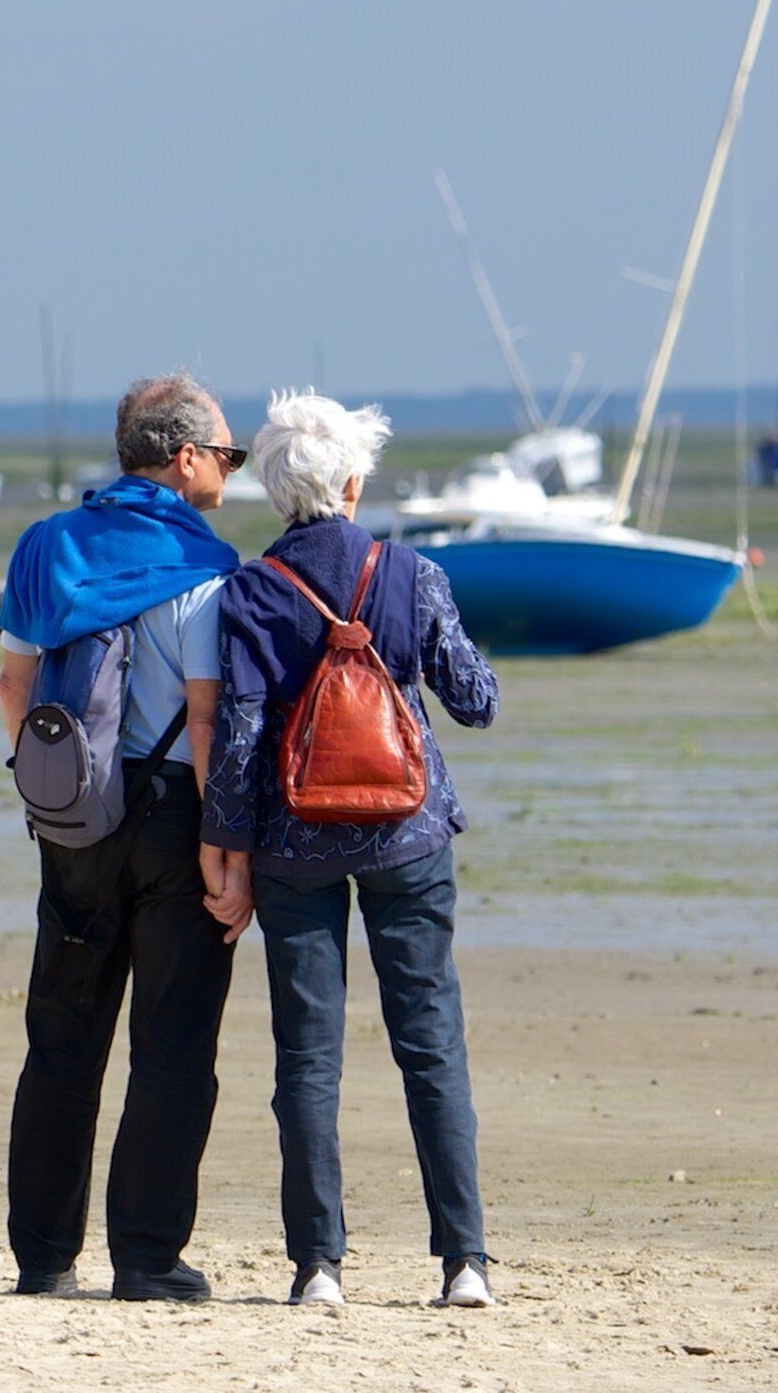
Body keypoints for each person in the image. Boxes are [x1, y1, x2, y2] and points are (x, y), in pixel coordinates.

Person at [199, 390, 501, 1310]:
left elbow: (243, 737)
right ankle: (464, 1265)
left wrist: (226, 848)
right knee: (431, 1045)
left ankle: (319, 1267)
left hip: (294, 843)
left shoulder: (251, 590)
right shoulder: (411, 572)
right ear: (355, 481)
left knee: (307, 1057)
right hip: (406, 834)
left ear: (277, 490)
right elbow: (476, 700)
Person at [0, 374, 250, 1300]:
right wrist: (230, 847)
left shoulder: (45, 545)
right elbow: (208, 717)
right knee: (173, 1042)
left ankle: (44, 1259)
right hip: (175, 815)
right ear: (183, 458)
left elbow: (13, 690)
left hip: (71, 819)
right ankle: (145, 1258)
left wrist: (52, 800)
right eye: (228, 454)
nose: (230, 469)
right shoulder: (205, 564)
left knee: (61, 1037)